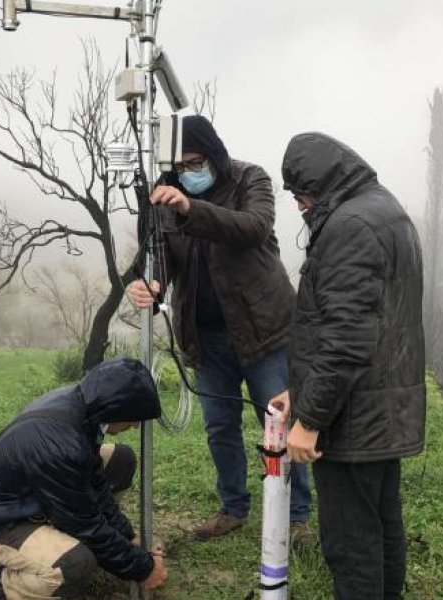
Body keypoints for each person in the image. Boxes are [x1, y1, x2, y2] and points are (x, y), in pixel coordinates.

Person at [126, 115, 313, 542]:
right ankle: (233, 507)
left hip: (264, 331)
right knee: (219, 426)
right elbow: (162, 254)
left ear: (212, 154)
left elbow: (252, 228)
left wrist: (190, 208)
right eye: (180, 166)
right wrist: (153, 283)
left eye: (195, 163)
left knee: (281, 423)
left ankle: (297, 515)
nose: (186, 173)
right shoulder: (162, 194)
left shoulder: (251, 180)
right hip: (206, 337)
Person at [274, 132, 426, 599]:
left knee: (350, 542)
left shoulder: (349, 227)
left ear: (320, 184)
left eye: (301, 195)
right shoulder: (387, 211)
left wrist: (310, 420)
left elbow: (345, 338)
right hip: (384, 406)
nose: (300, 206)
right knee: (381, 523)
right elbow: (366, 322)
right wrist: (300, 392)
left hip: (353, 418)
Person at [0, 357, 168, 599]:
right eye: (134, 417)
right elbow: (85, 524)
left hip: (36, 494)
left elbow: (95, 484)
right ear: (114, 407)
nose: (134, 425)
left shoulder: (83, 407)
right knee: (75, 563)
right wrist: (143, 569)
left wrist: (127, 537)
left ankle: (60, 543)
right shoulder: (61, 444)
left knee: (120, 459)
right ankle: (7, 585)